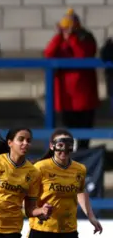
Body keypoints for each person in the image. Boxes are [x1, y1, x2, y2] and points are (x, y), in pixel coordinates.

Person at [44, 8, 99, 150]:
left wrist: (72, 38)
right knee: (68, 131)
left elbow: (82, 56)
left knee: (84, 133)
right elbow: (48, 54)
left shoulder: (85, 38)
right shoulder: (60, 40)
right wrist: (59, 37)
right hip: (65, 96)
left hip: (84, 95)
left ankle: (84, 159)